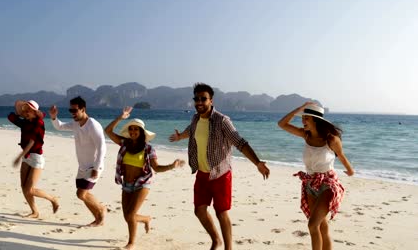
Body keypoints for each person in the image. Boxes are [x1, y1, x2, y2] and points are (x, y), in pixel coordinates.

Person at [169, 83, 270, 250]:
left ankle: (228, 248)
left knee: (221, 212)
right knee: (199, 211)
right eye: (197, 99)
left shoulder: (222, 121)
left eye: (203, 99)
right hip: (201, 173)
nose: (199, 102)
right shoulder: (195, 118)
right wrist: (181, 136)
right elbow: (191, 130)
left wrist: (257, 162)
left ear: (211, 100)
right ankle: (216, 240)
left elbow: (240, 142)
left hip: (220, 174)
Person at [105, 106, 185, 250]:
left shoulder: (149, 149)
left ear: (141, 132)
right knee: (127, 217)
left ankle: (131, 243)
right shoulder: (124, 143)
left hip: (142, 184)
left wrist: (172, 166)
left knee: (130, 215)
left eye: (136, 129)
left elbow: (156, 168)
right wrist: (120, 118)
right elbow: (108, 131)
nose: (133, 132)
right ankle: (146, 219)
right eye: (131, 129)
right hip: (127, 184)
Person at [278, 102, 354, 250]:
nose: (303, 121)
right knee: (322, 226)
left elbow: (341, 156)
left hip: (328, 183)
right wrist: (298, 109)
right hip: (310, 183)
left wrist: (350, 171)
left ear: (316, 120)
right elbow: (282, 124)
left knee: (312, 225)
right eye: (303, 117)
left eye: (306, 118)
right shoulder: (305, 135)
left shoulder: (331, 140)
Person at [49, 96, 107, 227]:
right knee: (82, 194)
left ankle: (101, 211)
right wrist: (53, 117)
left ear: (83, 109)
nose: (72, 113)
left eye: (74, 110)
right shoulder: (76, 124)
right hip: (82, 166)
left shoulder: (93, 125)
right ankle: (98, 217)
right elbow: (60, 127)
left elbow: (102, 147)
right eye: (70, 110)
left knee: (81, 193)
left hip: (93, 166)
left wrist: (96, 168)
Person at [8, 100, 59, 218]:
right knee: (23, 187)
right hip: (26, 157)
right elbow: (11, 117)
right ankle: (35, 212)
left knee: (29, 189)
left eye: (28, 111)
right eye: (24, 111)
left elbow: (32, 142)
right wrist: (21, 113)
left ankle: (53, 199)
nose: (26, 113)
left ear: (35, 112)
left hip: (36, 158)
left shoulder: (39, 123)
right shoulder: (25, 123)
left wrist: (19, 157)